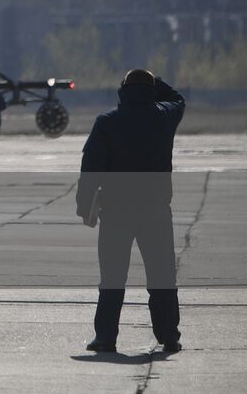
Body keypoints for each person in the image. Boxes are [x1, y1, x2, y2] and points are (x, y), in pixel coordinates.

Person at [76, 68, 185, 354]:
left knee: (112, 277)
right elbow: (178, 99)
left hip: (116, 211)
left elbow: (91, 168)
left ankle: (106, 337)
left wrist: (83, 205)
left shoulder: (107, 121)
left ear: (123, 90)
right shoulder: (164, 115)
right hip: (156, 211)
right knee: (162, 276)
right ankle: (169, 335)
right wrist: (154, 81)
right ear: (151, 91)